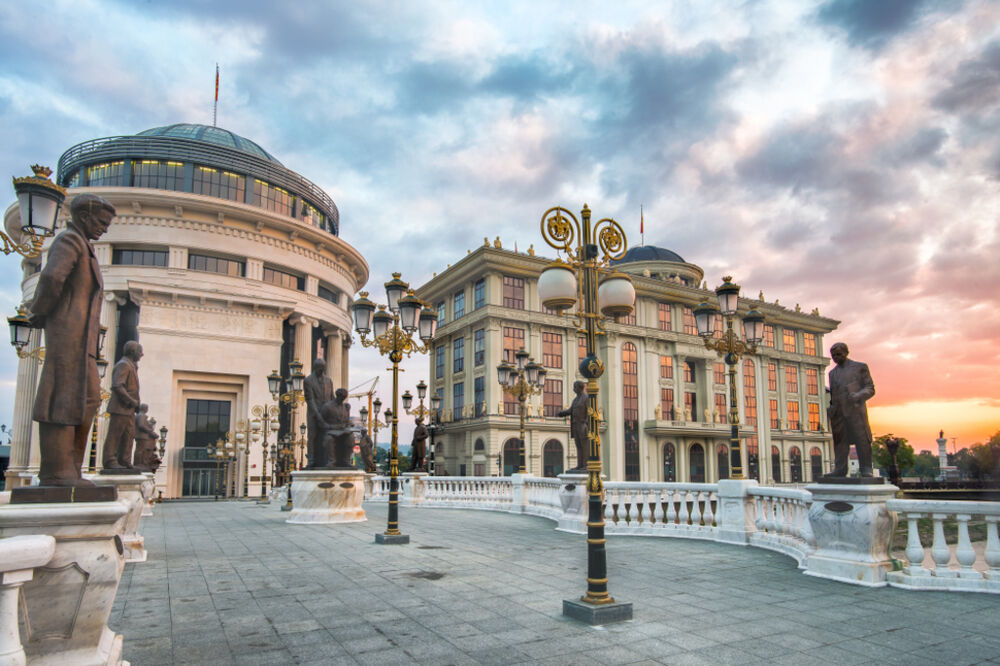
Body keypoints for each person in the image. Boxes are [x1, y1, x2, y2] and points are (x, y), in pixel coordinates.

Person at [29, 194, 114, 487]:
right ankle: (56, 472)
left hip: (84, 342)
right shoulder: (69, 241)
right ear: (84, 216)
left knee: (89, 400)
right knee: (61, 399)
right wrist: (38, 312)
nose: (105, 229)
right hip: (68, 336)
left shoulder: (85, 247)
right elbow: (52, 278)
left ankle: (71, 469)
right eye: (102, 222)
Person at [827, 342, 876, 477]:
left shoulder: (859, 367)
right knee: (840, 442)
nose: (836, 357)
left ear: (846, 352)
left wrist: (859, 395)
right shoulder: (832, 373)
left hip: (855, 411)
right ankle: (840, 469)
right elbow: (832, 394)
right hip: (838, 413)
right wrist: (831, 409)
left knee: (862, 440)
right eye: (833, 356)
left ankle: (866, 468)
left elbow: (870, 388)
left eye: (838, 354)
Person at [103, 341, 143, 472]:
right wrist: (131, 400)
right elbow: (117, 386)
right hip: (121, 407)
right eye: (140, 351)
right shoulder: (124, 365)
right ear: (133, 352)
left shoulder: (131, 366)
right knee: (115, 435)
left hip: (129, 409)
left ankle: (124, 460)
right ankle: (110, 460)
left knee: (129, 434)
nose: (142, 354)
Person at [303, 357, 334, 468]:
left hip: (326, 414)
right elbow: (310, 399)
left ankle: (328, 459)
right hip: (313, 414)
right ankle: (311, 459)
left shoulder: (328, 380)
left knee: (328, 436)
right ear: (315, 368)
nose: (322, 370)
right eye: (320, 368)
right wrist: (318, 415)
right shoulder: (308, 380)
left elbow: (331, 397)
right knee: (313, 436)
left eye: (323, 368)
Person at [320, 388, 355, 468]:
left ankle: (346, 461)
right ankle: (331, 461)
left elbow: (347, 422)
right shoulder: (327, 407)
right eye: (341, 398)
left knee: (351, 437)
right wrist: (332, 427)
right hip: (330, 431)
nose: (342, 400)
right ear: (337, 396)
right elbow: (321, 422)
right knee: (329, 439)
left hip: (342, 431)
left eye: (343, 398)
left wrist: (348, 426)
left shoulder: (345, 407)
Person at [557, 380, 588, 471]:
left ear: (580, 387)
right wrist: (561, 413)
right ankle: (580, 465)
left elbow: (590, 412)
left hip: (582, 425)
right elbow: (571, 410)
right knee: (578, 445)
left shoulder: (586, 398)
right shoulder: (575, 399)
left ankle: (586, 465)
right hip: (575, 425)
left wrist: (586, 424)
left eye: (575, 387)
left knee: (584, 446)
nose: (573, 389)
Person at [133, 404, 159, 472]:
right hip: (142, 436)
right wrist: (150, 431)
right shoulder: (142, 415)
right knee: (140, 450)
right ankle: (138, 464)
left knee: (140, 450)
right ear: (145, 409)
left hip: (140, 436)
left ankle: (139, 463)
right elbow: (141, 425)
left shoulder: (138, 415)